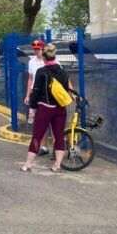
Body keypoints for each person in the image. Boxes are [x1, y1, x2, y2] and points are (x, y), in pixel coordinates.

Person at [21, 44, 74, 173]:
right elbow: (68, 89)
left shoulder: (41, 72)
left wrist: (32, 109)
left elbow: (36, 92)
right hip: (61, 109)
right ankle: (57, 165)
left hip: (44, 108)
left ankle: (28, 164)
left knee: (37, 136)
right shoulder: (62, 72)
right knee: (59, 136)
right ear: (54, 56)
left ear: (44, 58)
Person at [25, 39, 55, 157]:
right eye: (34, 49)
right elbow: (30, 79)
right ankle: (44, 147)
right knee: (40, 121)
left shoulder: (49, 61)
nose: (36, 51)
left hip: (48, 93)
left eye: (38, 49)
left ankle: (55, 148)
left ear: (43, 48)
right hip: (36, 93)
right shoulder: (31, 62)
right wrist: (28, 95)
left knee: (53, 122)